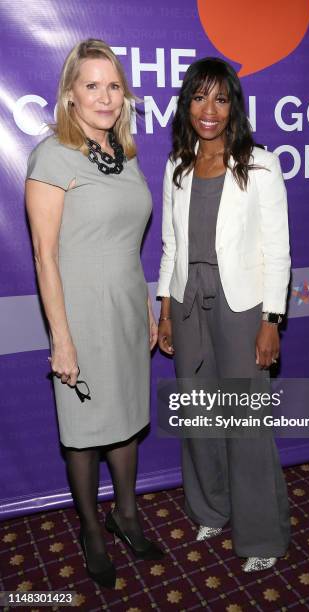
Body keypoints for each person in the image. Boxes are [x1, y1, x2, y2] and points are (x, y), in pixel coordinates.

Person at [25, 39, 163, 589]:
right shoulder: (51, 155)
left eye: (113, 86)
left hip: (127, 305)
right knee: (84, 431)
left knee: (126, 415)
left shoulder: (125, 155)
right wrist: (62, 338)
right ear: (70, 96)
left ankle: (125, 515)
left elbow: (129, 241)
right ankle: (91, 529)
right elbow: (44, 254)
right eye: (92, 86)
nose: (105, 97)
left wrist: (147, 305)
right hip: (79, 311)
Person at [157, 57, 291, 573]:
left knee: (246, 420)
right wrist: (165, 308)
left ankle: (261, 536)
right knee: (198, 412)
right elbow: (171, 245)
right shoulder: (177, 165)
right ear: (186, 104)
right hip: (188, 299)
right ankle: (211, 508)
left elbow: (277, 250)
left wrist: (271, 319)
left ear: (233, 104)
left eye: (220, 98)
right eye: (198, 97)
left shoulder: (260, 164)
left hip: (242, 305)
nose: (208, 110)